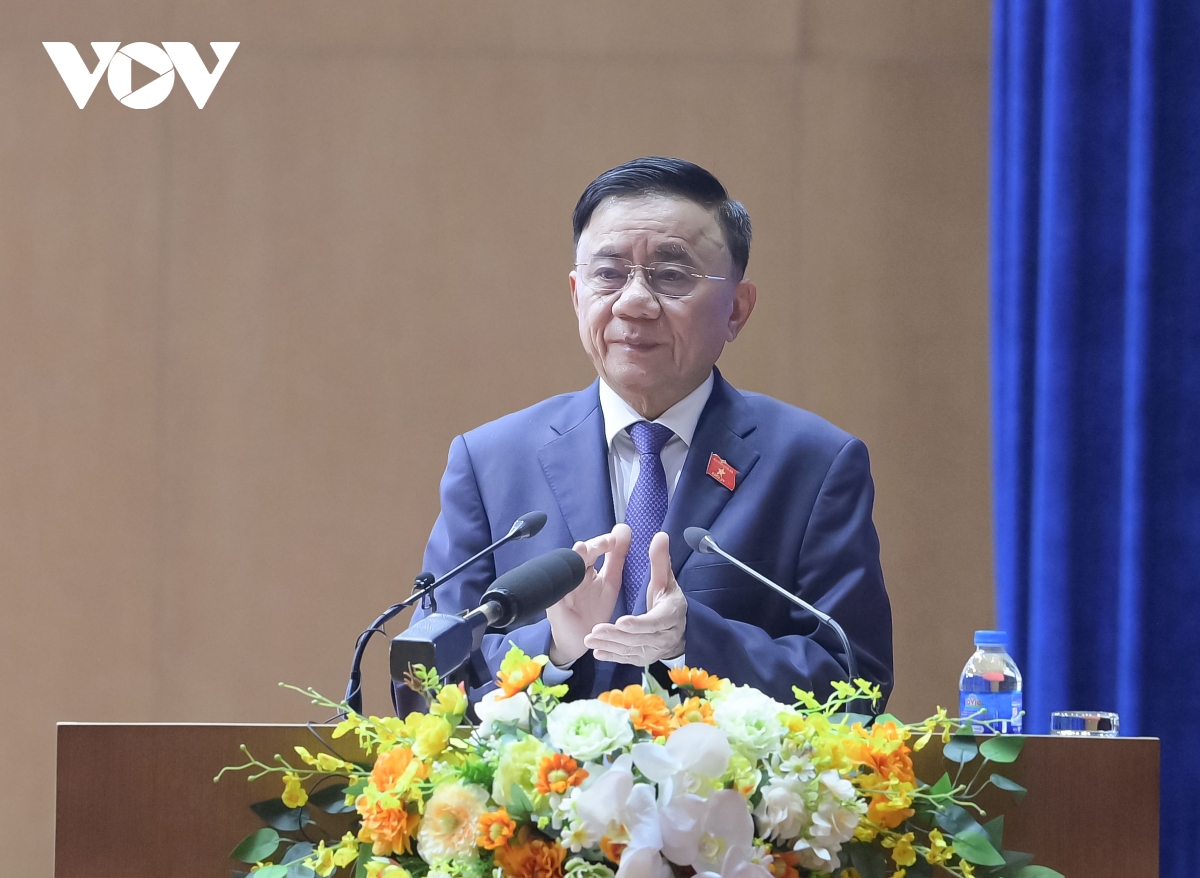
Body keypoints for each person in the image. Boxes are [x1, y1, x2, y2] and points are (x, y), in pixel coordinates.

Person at [409, 157, 893, 706]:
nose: (634, 302)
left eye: (671, 276)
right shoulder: (490, 461)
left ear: (736, 310)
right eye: (608, 274)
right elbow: (426, 680)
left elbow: (858, 681)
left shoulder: (813, 464)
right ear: (576, 294)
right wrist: (554, 649)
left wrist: (694, 642)